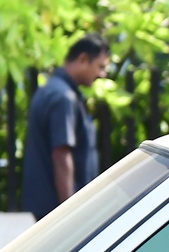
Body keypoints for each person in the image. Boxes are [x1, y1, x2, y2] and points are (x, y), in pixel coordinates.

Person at [21, 35, 110, 220]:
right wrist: (68, 213)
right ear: (83, 59)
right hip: (58, 210)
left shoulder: (53, 89)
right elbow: (62, 155)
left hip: (47, 207)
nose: (103, 74)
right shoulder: (64, 98)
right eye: (100, 66)